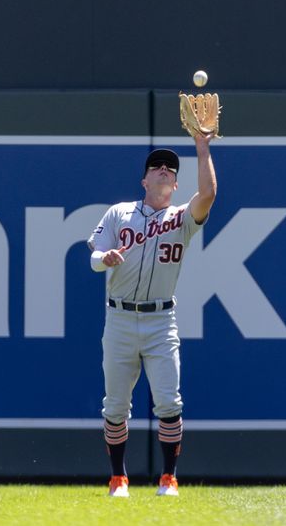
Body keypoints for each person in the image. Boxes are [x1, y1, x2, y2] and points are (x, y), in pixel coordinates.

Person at [87, 133, 216, 497]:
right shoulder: (119, 213)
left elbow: (207, 195)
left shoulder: (181, 218)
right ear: (144, 180)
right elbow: (94, 255)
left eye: (169, 169)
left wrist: (203, 148)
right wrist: (105, 259)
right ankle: (118, 478)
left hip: (161, 320)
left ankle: (169, 478)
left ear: (176, 183)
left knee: (169, 402)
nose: (162, 170)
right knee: (115, 405)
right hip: (120, 318)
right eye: (156, 167)